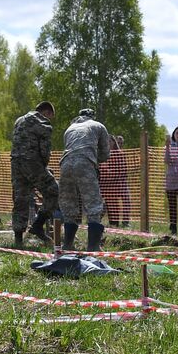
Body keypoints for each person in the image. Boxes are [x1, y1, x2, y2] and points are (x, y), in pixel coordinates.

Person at [59, 107, 112, 251]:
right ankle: (93, 248)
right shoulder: (98, 126)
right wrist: (94, 159)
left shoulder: (69, 129)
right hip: (85, 162)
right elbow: (106, 154)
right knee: (94, 206)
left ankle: (67, 246)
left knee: (69, 206)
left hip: (65, 164)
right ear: (92, 116)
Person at [9, 102, 59, 246]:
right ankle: (38, 226)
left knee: (20, 200)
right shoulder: (43, 122)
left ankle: (18, 239)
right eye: (51, 116)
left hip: (16, 163)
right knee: (53, 191)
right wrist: (43, 167)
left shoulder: (19, 120)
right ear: (47, 112)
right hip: (32, 163)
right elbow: (44, 151)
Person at [99, 134, 130, 227]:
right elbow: (100, 169)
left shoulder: (120, 154)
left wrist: (110, 172)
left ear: (113, 142)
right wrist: (106, 172)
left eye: (110, 141)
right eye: (106, 141)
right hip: (105, 184)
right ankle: (103, 222)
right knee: (107, 204)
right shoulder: (102, 154)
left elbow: (122, 170)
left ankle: (120, 223)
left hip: (117, 183)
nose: (108, 142)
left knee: (120, 203)